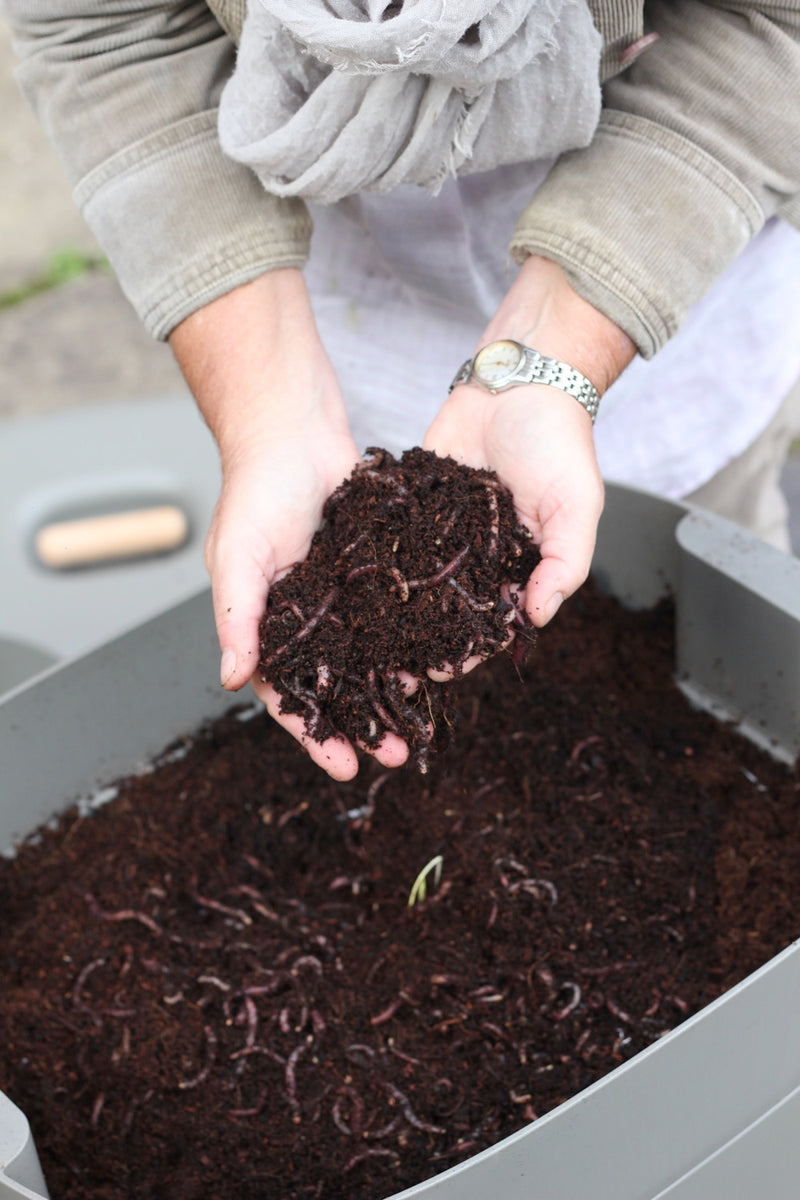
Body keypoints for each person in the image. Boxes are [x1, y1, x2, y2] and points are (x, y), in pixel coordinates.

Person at [5, 0, 800, 780]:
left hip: (672, 259)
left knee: (724, 653)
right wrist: (269, 413)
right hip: (322, 310)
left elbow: (771, 29)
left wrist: (558, 345)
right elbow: (105, 32)